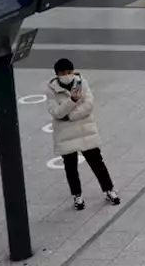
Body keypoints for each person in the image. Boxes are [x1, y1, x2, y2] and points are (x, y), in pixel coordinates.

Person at [46, 58, 120, 211]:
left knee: (97, 163)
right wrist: (72, 101)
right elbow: (56, 112)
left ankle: (109, 190)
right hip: (66, 136)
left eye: (69, 72)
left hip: (85, 131)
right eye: (63, 73)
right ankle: (77, 196)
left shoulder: (82, 83)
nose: (67, 75)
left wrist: (70, 116)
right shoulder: (51, 90)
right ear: (57, 74)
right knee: (70, 167)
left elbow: (88, 105)